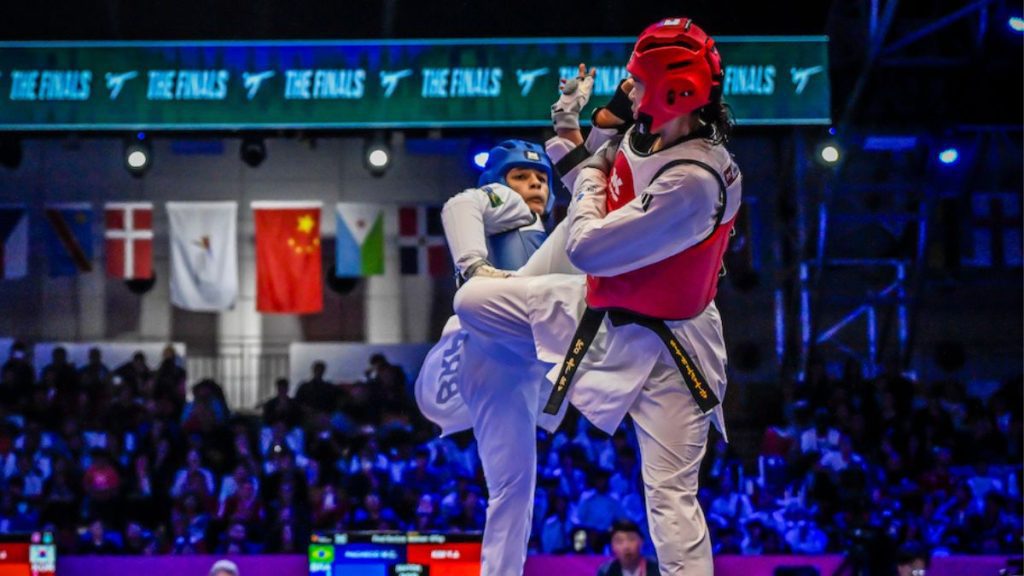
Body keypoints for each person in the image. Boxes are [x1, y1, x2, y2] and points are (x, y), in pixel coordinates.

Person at [455, 17, 740, 575]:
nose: (628, 87)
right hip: (602, 308)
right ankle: (524, 365)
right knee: (472, 303)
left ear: (673, 92)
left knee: (671, 501)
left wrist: (592, 171)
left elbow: (586, 244)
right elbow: (590, 180)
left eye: (639, 80)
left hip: (672, 350)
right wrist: (571, 126)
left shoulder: (694, 181)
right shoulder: (649, 130)